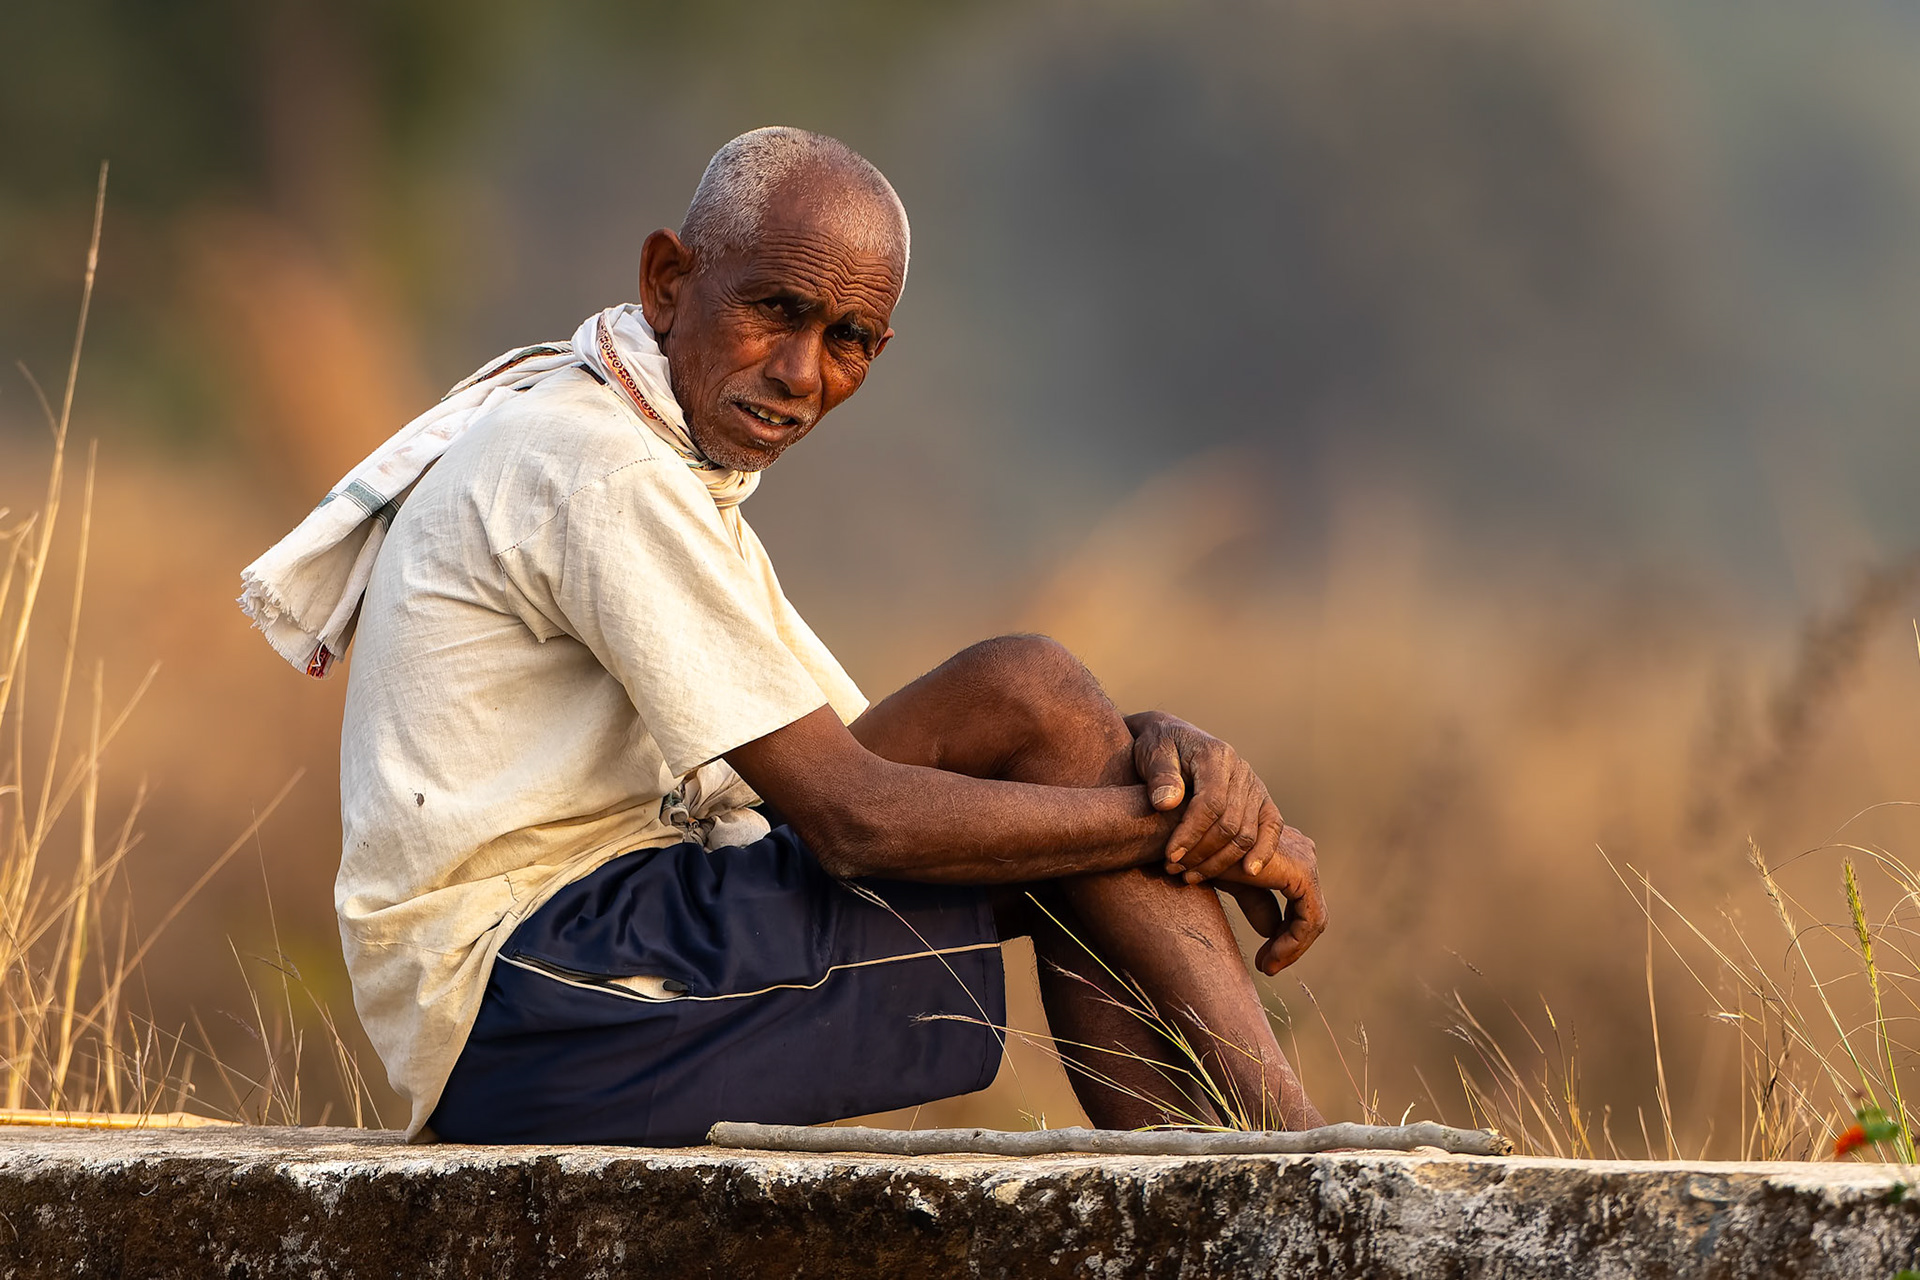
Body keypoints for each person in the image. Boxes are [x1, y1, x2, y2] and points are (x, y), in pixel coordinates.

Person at [239, 126, 1328, 1145]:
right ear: (668, 282)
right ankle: (1306, 1157)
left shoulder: (645, 447)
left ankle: (1235, 1169)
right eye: (775, 309)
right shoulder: (601, 469)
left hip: (588, 957)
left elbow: (897, 769)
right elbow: (854, 819)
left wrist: (1152, 752)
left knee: (1030, 699)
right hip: (533, 999)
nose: (803, 373)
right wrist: (1174, 824)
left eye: (847, 339)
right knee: (1050, 740)